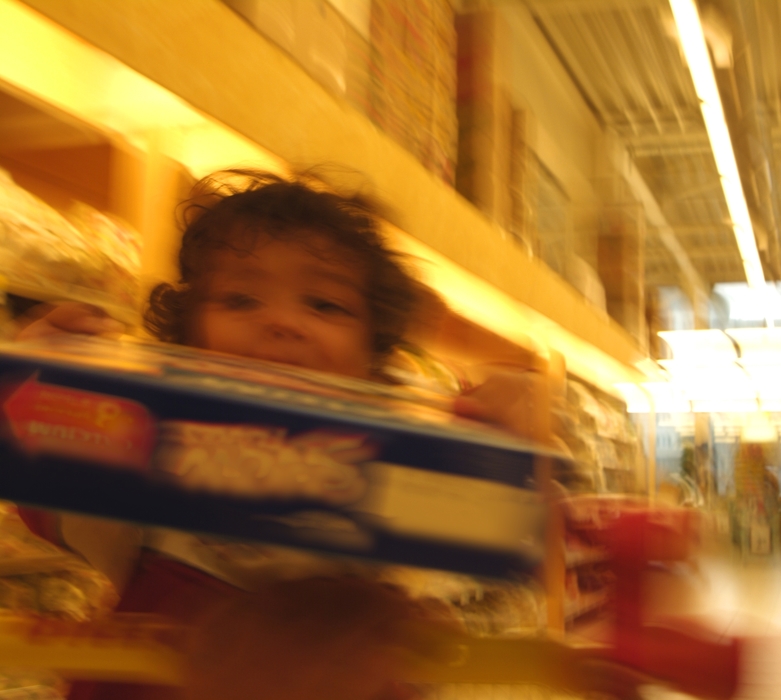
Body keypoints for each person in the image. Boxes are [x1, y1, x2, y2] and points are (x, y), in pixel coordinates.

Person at [14, 169, 553, 699]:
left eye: (324, 304)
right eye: (239, 299)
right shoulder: (151, 468)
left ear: (372, 364)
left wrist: (507, 437)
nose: (281, 321)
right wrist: (43, 380)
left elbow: (502, 520)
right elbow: (45, 468)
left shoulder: (389, 489)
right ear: (189, 344)